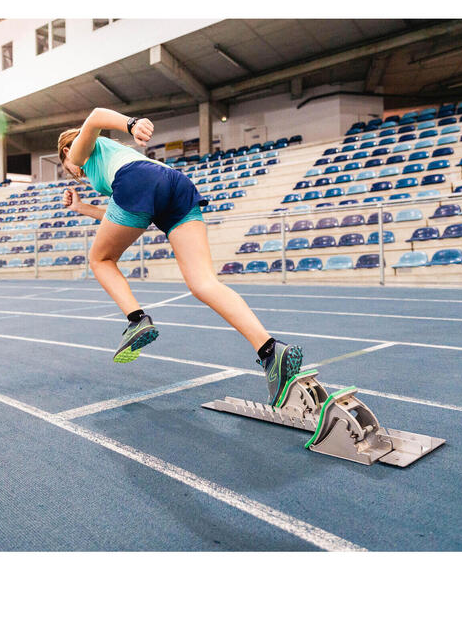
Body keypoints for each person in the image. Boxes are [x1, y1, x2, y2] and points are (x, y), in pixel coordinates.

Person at [59, 107, 303, 406]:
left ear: (67, 151)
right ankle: (270, 350)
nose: (74, 173)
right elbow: (129, 215)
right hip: (174, 185)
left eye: (68, 168)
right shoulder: (114, 158)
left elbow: (96, 116)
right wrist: (82, 208)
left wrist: (132, 124)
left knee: (100, 260)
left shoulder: (79, 153)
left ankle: (137, 320)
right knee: (203, 283)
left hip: (138, 183)